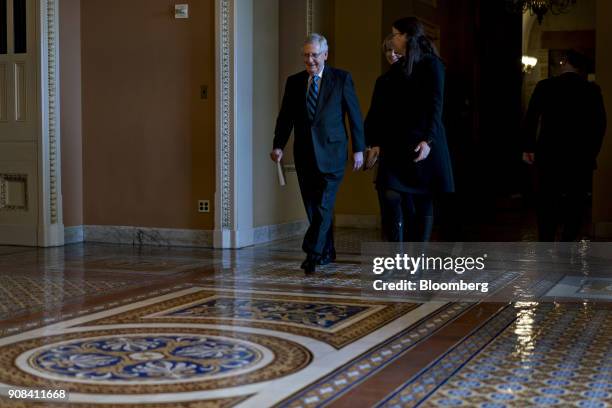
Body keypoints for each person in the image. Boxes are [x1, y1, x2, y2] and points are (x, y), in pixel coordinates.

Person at [271, 33, 365, 273]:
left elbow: (354, 116)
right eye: (306, 55)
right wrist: (278, 145)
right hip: (304, 154)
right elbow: (286, 118)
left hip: (333, 153)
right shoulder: (294, 82)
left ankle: (312, 253)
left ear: (325, 54)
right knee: (313, 207)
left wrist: (359, 150)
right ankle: (327, 251)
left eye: (314, 55)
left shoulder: (341, 79)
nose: (310, 60)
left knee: (323, 205)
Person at [367, 17, 454, 242]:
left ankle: (418, 261)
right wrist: (375, 142)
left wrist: (428, 141)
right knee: (389, 192)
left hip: (423, 143)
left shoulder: (432, 64)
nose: (392, 39)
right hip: (397, 145)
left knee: (424, 199)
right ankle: (398, 255)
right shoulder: (396, 70)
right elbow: (384, 111)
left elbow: (436, 105)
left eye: (395, 34)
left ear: (407, 36)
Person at [523, 49, 606, 241]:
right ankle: (567, 244)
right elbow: (599, 125)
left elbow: (531, 118)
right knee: (575, 205)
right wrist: (591, 153)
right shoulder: (592, 90)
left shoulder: (545, 86)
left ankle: (546, 241)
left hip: (549, 155)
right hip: (580, 158)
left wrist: (529, 148)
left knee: (547, 203)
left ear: (564, 63)